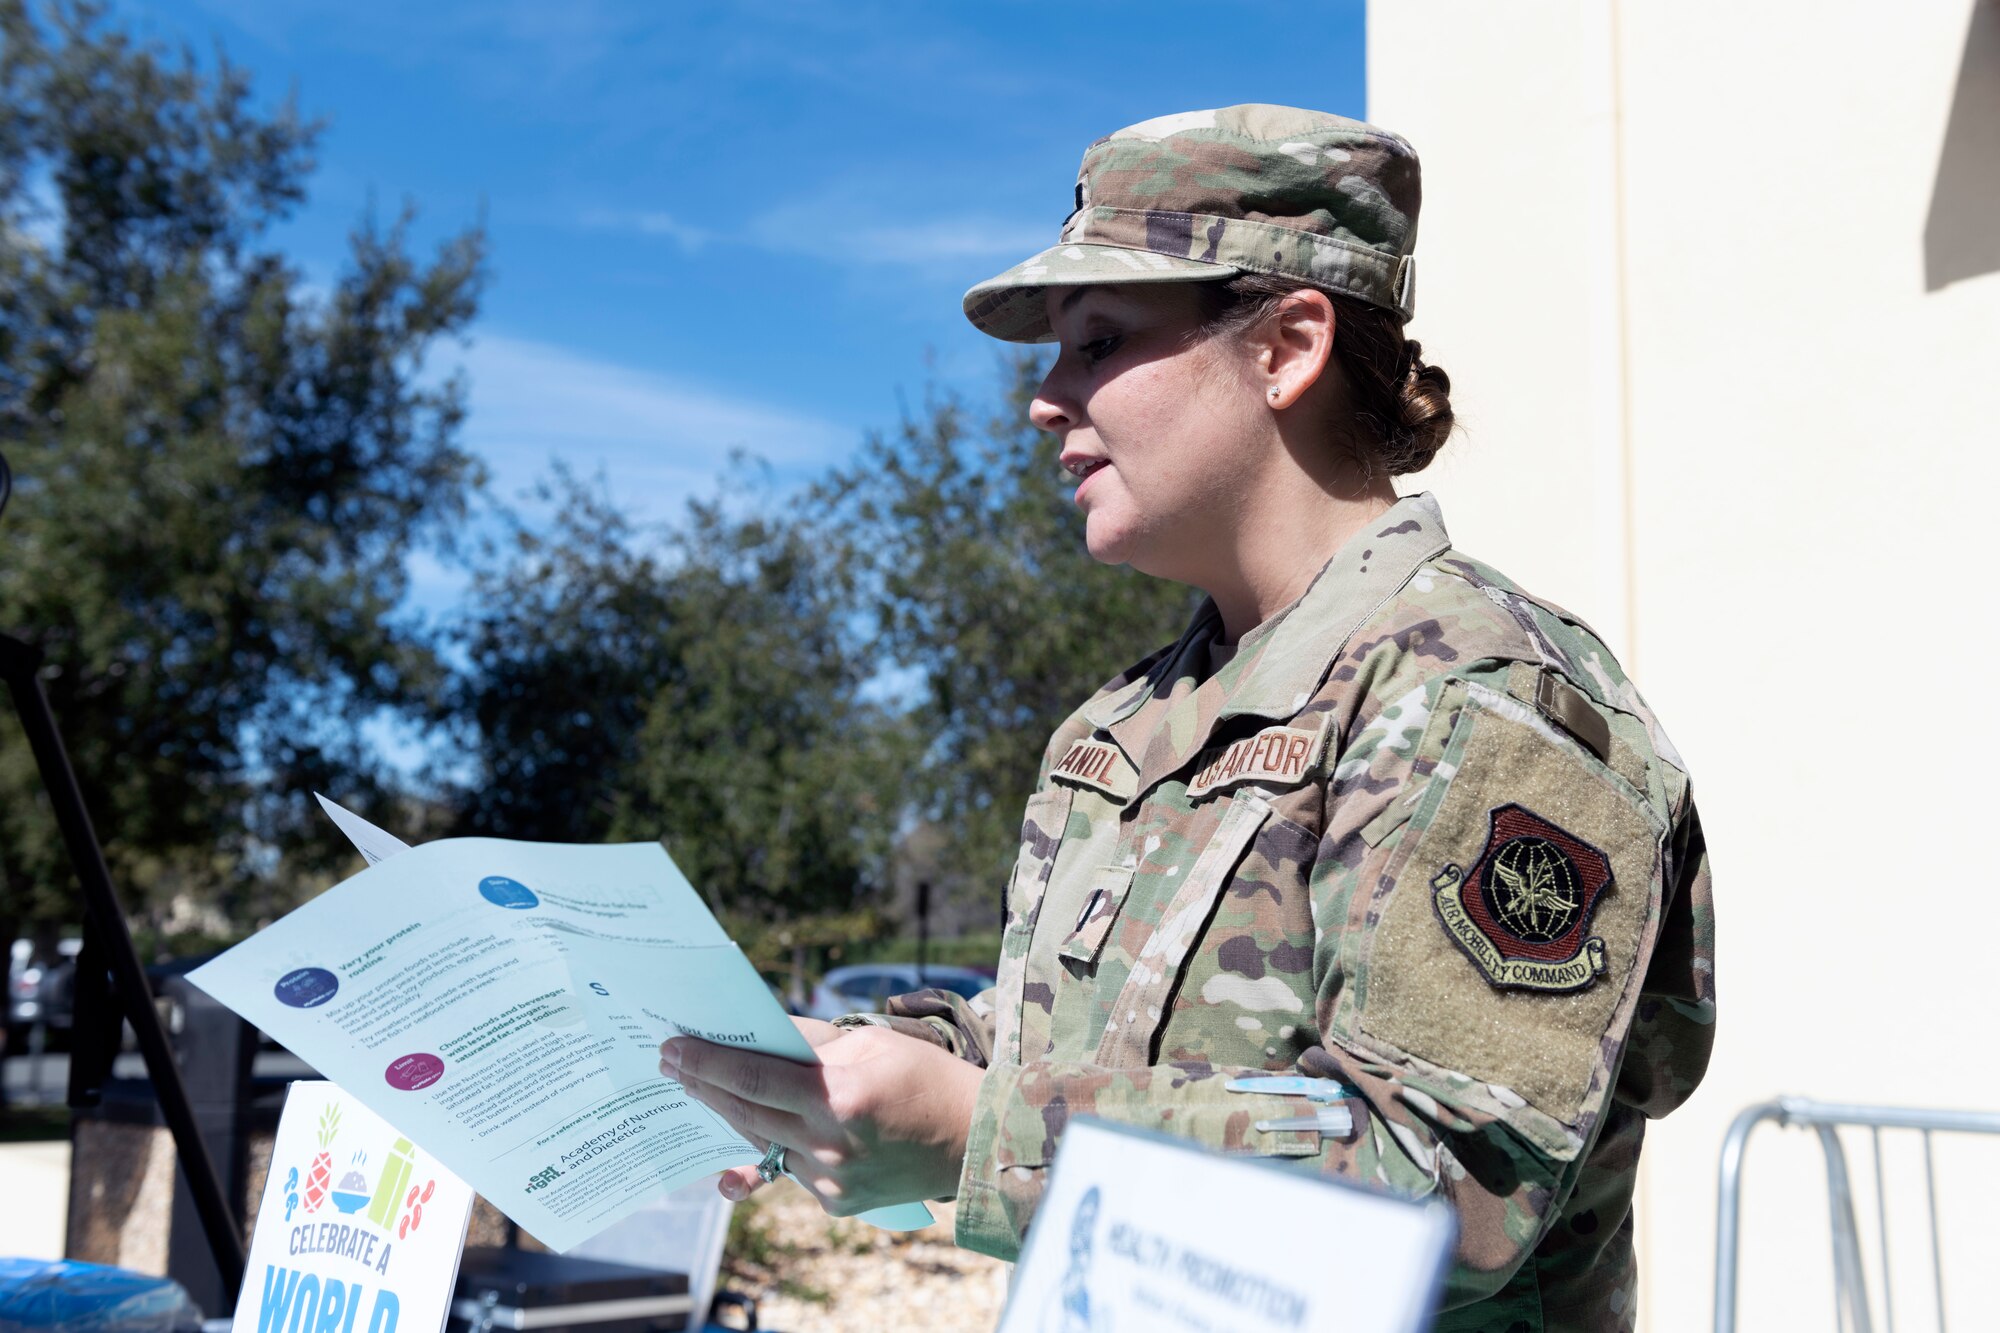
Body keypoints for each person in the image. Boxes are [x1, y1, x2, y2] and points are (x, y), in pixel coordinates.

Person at [658, 104, 1715, 1331]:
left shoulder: (1481, 697)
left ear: (1286, 345)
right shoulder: (1120, 728)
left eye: (1097, 340)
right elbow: (1042, 1036)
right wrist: (810, 1068)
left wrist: (966, 1137)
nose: (1045, 402)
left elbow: (1444, 1186)